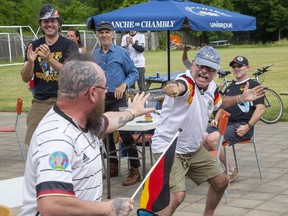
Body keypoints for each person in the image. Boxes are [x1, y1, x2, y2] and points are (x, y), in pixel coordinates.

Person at [19, 53, 155, 216]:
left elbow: (108, 120)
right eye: (105, 89)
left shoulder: (83, 121)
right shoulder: (57, 137)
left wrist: (132, 112)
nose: (106, 94)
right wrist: (110, 208)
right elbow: (51, 204)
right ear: (92, 93)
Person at [151, 46, 265, 216]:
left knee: (221, 181)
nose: (204, 71)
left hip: (193, 148)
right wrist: (172, 88)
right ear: (194, 64)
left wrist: (241, 98)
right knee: (176, 196)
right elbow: (179, 86)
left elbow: (220, 103)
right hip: (169, 148)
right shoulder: (187, 82)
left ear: (216, 71)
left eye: (210, 68)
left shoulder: (211, 87)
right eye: (201, 66)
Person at [20, 4, 78, 145]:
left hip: (64, 102)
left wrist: (49, 59)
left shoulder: (69, 46)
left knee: (64, 143)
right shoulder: (33, 45)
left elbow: (71, 74)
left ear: (59, 23)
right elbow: (25, 77)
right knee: (34, 144)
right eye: (45, 21)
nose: (49, 24)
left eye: (53, 20)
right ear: (40, 24)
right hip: (40, 102)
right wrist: (31, 62)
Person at [93, 22, 141, 186]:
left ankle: (135, 170)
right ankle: (112, 166)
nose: (104, 35)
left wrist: (123, 85)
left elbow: (134, 73)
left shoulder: (121, 53)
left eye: (107, 32)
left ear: (113, 35)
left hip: (118, 97)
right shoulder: (95, 55)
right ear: (98, 35)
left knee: (125, 133)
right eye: (101, 32)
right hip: (100, 98)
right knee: (105, 132)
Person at [203, 56, 265, 182]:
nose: (236, 69)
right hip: (225, 125)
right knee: (199, 135)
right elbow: (222, 106)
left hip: (242, 126)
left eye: (239, 66)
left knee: (212, 139)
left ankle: (230, 171)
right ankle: (217, 169)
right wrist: (217, 118)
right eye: (234, 66)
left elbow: (260, 109)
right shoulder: (230, 87)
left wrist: (248, 126)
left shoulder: (254, 85)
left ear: (247, 68)